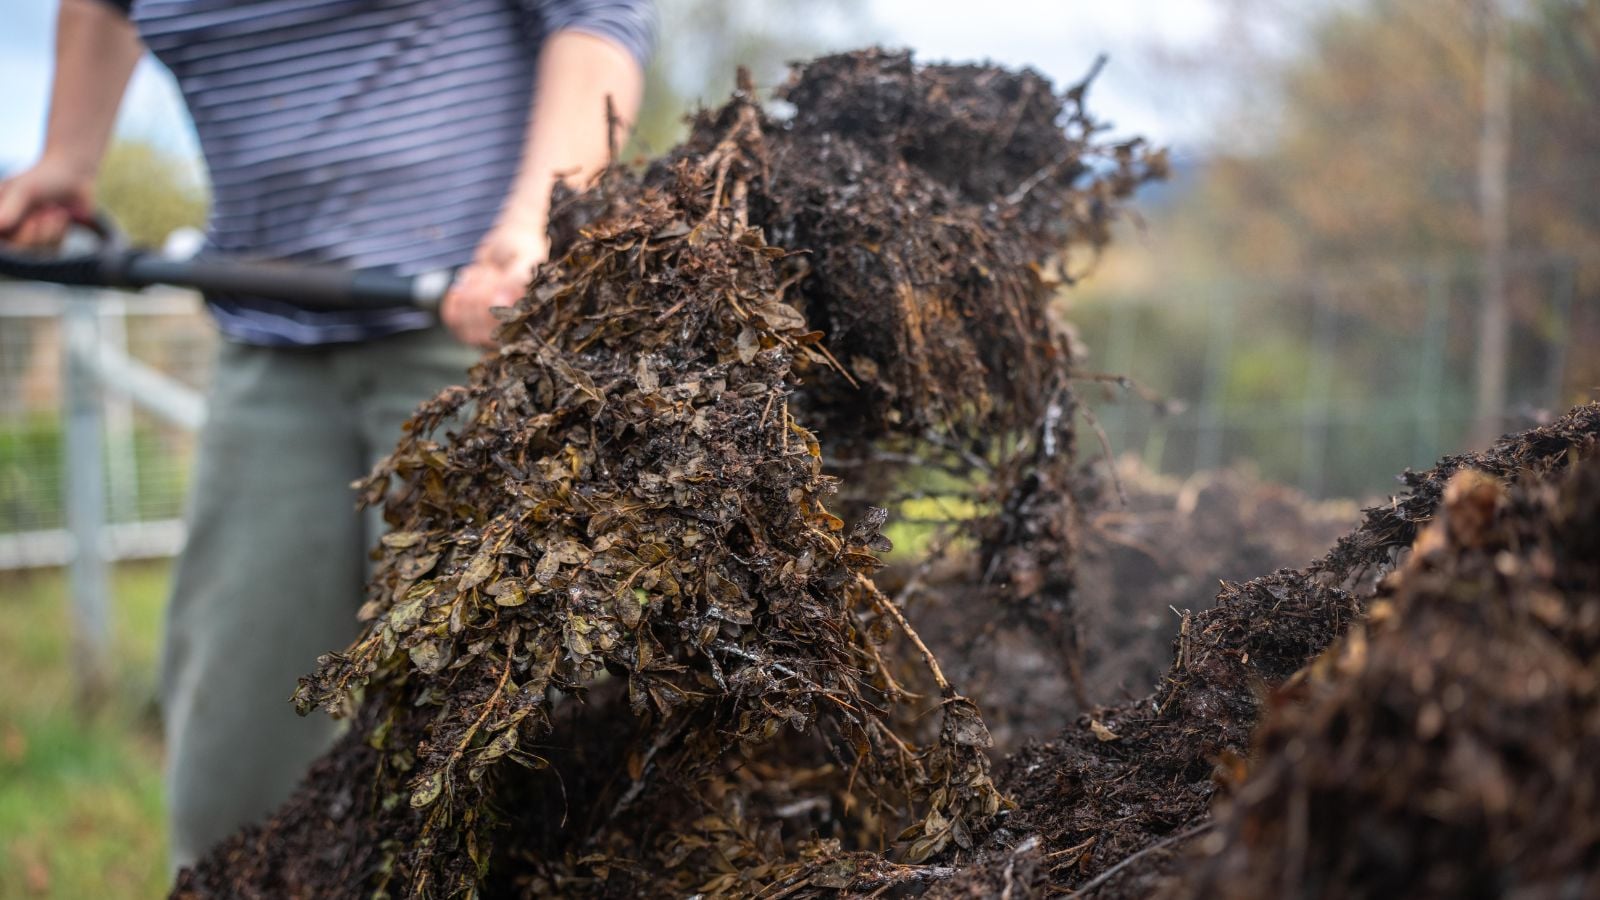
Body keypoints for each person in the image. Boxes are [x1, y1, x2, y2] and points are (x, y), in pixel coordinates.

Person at [0, 0, 655, 871]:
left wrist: (539, 220)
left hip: (474, 333)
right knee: (236, 771)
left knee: (519, 756)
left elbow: (594, 12)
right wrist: (66, 156)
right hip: (267, 340)